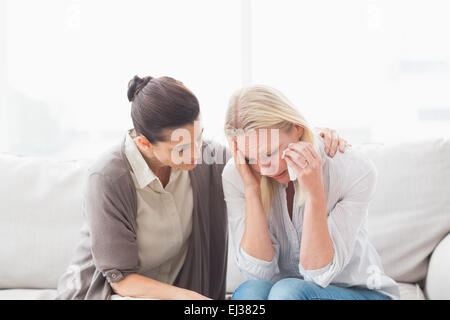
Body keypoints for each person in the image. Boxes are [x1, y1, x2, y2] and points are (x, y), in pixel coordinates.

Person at [56, 75, 349, 300]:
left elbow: (260, 151)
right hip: (113, 293)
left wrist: (312, 138)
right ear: (144, 144)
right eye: (182, 149)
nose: (197, 154)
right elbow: (119, 279)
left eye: (199, 138)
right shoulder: (108, 177)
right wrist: (194, 300)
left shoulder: (207, 158)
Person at [222, 85, 400, 300]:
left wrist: (315, 191)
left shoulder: (351, 168)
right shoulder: (239, 174)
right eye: (251, 158)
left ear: (297, 128)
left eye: (270, 152)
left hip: (359, 292)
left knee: (287, 291)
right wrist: (251, 189)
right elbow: (255, 273)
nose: (265, 168)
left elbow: (318, 274)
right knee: (250, 292)